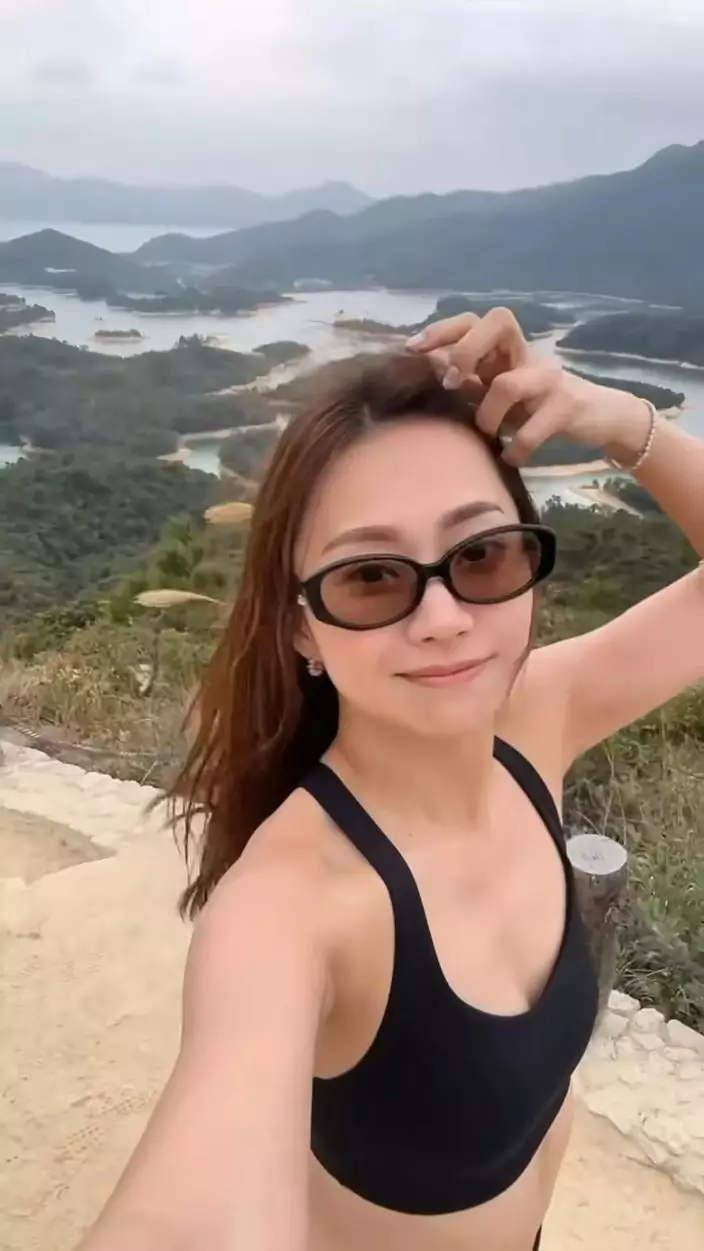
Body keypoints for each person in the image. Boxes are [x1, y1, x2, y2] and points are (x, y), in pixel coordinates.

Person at [78, 308, 704, 1251]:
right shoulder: (289, 908)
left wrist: (616, 420)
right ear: (302, 628)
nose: (443, 618)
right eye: (372, 576)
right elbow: (189, 1214)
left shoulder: (537, 718)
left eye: (481, 554)